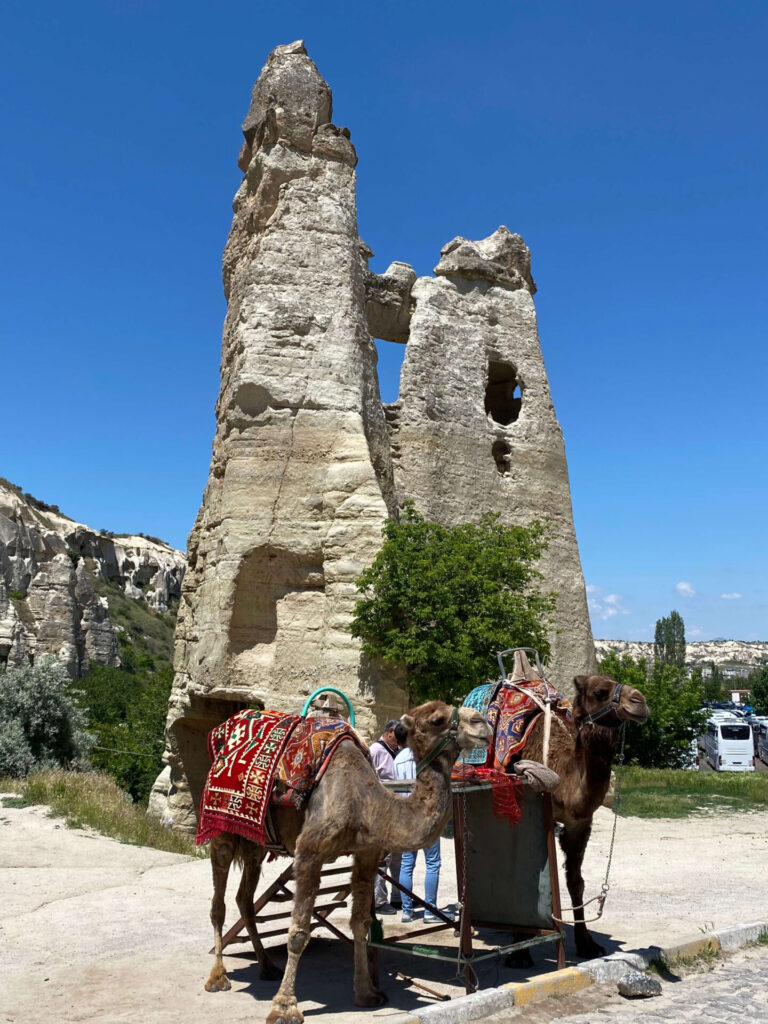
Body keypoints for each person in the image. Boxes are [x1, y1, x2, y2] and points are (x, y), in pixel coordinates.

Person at [393, 722, 450, 924]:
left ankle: (407, 911)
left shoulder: (398, 759)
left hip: (407, 815)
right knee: (432, 863)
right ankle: (429, 910)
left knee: (407, 865)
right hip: (427, 815)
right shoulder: (429, 757)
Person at [370, 719, 402, 913]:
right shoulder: (375, 751)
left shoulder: (397, 752)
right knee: (382, 858)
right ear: (390, 731)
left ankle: (398, 897)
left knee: (399, 857)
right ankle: (379, 900)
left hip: (398, 811)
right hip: (382, 811)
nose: (399, 742)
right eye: (397, 737)